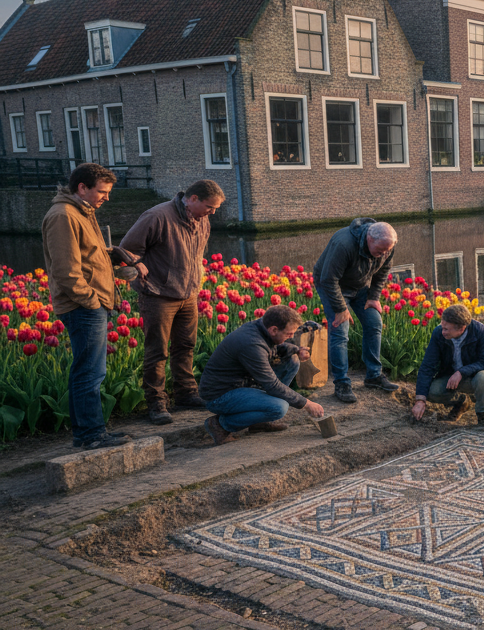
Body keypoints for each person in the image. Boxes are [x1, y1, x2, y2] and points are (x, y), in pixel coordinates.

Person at [119, 179, 226, 425]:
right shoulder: (156, 216)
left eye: (215, 209)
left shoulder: (202, 219)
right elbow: (127, 249)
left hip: (188, 293)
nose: (213, 212)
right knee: (157, 350)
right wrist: (136, 264)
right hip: (158, 294)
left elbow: (197, 253)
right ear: (193, 198)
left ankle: (186, 393)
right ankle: (156, 402)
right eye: (210, 207)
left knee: (186, 346)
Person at [42, 163, 132, 450]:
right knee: (89, 373)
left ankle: (93, 432)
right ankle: (90, 435)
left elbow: (85, 255)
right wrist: (93, 302)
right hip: (82, 306)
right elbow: (66, 271)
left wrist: (110, 256)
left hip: (91, 304)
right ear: (82, 188)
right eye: (102, 192)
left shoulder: (82, 212)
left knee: (93, 371)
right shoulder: (63, 216)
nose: (107, 197)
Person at [198, 304, 324, 445]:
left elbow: (275, 347)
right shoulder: (252, 344)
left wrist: (297, 349)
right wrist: (307, 404)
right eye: (289, 334)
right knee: (279, 407)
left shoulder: (262, 327)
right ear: (274, 330)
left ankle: (258, 422)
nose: (291, 336)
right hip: (219, 395)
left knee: (292, 361)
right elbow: (272, 385)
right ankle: (220, 425)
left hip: (241, 384)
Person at [313, 219, 398, 404]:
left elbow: (383, 271)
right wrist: (341, 308)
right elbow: (328, 279)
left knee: (374, 323)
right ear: (369, 238)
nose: (382, 255)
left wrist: (374, 296)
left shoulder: (387, 246)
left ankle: (374, 376)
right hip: (333, 285)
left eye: (386, 251)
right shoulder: (343, 244)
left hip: (360, 286)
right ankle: (341, 383)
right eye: (379, 251)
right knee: (340, 330)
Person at [411, 303, 484, 426]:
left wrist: (462, 372)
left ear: (461, 328)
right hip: (449, 378)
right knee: (432, 391)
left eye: (446, 329)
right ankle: (460, 402)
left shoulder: (479, 331)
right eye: (442, 326)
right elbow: (428, 365)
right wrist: (420, 400)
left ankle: (482, 415)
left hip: (472, 377)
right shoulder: (438, 333)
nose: (442, 331)